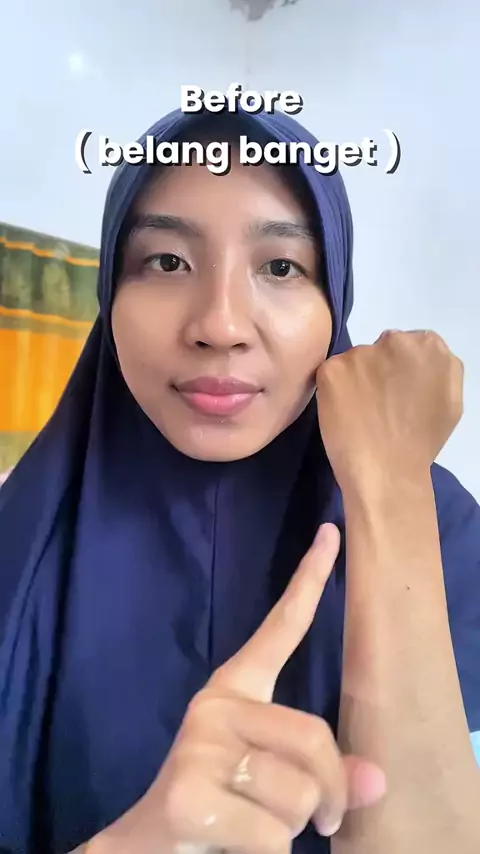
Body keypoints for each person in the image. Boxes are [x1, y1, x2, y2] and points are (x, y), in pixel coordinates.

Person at [0, 107, 479, 854]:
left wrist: (390, 492)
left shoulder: (444, 528)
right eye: (167, 262)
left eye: (281, 267)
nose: (220, 326)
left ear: (336, 299)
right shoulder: (15, 537)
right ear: (109, 294)